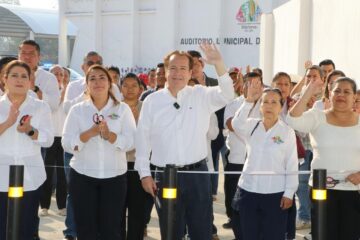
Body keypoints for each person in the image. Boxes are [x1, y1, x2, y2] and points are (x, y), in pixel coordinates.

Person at [135, 43, 234, 240]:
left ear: (190, 72)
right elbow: (142, 140)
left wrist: (219, 64)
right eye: (173, 68)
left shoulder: (201, 94)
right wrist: (144, 174)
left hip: (197, 175)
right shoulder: (152, 101)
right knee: (171, 231)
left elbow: (228, 94)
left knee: (202, 231)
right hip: (166, 177)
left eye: (183, 68)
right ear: (165, 71)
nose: (177, 73)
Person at [62, 65, 136, 240]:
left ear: (110, 83)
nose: (97, 82)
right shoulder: (77, 110)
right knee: (85, 228)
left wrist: (110, 136)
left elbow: (132, 142)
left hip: (114, 178)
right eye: (92, 79)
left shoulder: (122, 109)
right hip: (82, 176)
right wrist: (89, 134)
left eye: (102, 78)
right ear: (87, 85)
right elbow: (66, 143)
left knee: (111, 229)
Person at [287, 77, 360, 240]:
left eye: (347, 91)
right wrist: (308, 92)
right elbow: (292, 119)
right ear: (330, 93)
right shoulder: (317, 116)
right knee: (322, 234)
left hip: (353, 190)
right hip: (321, 189)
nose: (341, 94)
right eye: (337, 90)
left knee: (349, 234)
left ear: (354, 96)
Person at [231, 81, 298, 240]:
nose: (269, 105)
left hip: (275, 195)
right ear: (260, 106)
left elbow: (292, 164)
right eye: (265, 102)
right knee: (247, 234)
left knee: (273, 235)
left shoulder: (287, 132)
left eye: (274, 102)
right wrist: (248, 101)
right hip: (248, 192)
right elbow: (236, 124)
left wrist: (289, 193)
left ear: (281, 106)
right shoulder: (251, 126)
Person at [0, 60, 54, 240]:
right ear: (4, 79)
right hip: (1, 176)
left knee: (26, 227)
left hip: (31, 177)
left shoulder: (40, 106)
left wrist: (31, 131)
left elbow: (48, 140)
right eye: (14, 75)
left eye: (24, 76)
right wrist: (7, 123)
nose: (19, 80)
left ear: (30, 81)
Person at [222, 72, 262, 233]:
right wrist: (248, 104)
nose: (253, 87)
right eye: (250, 83)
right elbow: (231, 125)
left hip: (259, 162)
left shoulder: (267, 103)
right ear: (242, 85)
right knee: (234, 199)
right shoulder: (233, 104)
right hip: (237, 159)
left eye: (257, 84)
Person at [119, 73, 147, 240]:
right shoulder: (115, 107)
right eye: (126, 85)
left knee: (138, 210)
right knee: (118, 210)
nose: (130, 89)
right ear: (120, 88)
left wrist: (137, 120)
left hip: (139, 166)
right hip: (118, 165)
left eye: (134, 86)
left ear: (140, 88)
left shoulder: (146, 107)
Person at [39, 65, 68, 217]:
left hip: (63, 137)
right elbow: (51, 108)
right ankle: (44, 205)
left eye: (61, 74)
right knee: (47, 172)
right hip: (49, 137)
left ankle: (62, 206)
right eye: (55, 73)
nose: (58, 76)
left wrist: (63, 96)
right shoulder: (47, 92)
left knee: (62, 174)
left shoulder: (68, 91)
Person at [18, 40, 60, 112]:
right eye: (23, 53)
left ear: (39, 57)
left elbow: (54, 106)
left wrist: (35, 89)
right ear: (18, 56)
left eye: (31, 54)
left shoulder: (49, 78)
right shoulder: (9, 76)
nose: (27, 57)